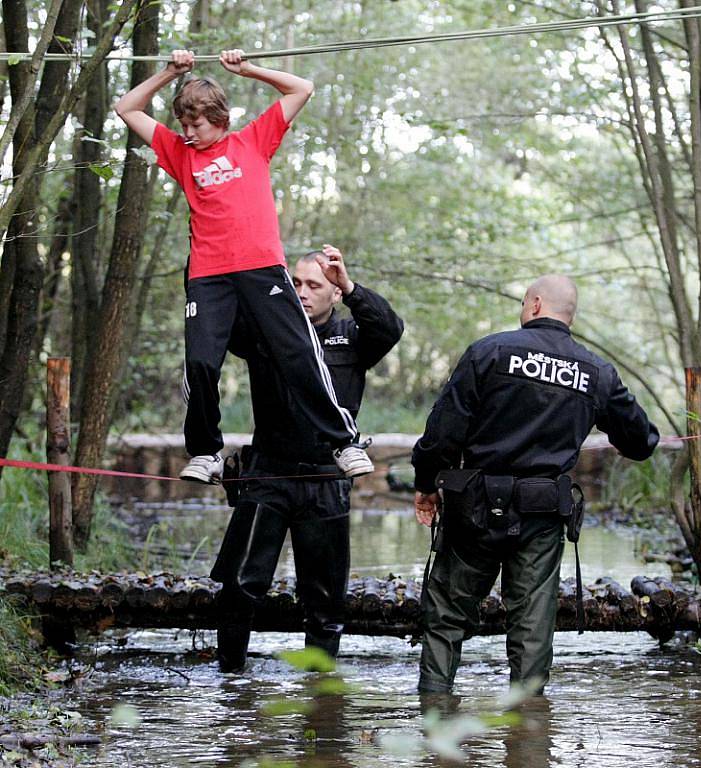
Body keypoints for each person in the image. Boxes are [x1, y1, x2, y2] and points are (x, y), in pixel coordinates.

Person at [114, 49, 373, 483]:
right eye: (184, 124)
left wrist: (246, 68)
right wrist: (170, 72)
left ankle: (344, 441)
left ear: (221, 119)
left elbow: (301, 88)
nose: (189, 131)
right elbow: (126, 108)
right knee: (200, 363)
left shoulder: (252, 140)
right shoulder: (179, 153)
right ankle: (205, 452)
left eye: (197, 124)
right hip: (209, 276)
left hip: (262, 269)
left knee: (298, 353)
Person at [412, 274, 659, 694]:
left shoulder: (488, 352)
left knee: (446, 617)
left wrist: (425, 482)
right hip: (542, 515)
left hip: (473, 508)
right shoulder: (595, 372)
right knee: (531, 628)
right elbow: (641, 442)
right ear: (570, 315)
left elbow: (442, 432)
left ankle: (433, 716)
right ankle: (528, 734)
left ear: (536, 304)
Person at [210, 245, 404, 671]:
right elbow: (222, 316)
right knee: (240, 586)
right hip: (266, 475)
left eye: (314, 285)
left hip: (325, 479)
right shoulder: (267, 331)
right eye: (296, 283)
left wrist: (350, 286)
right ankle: (231, 683)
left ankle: (320, 694)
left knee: (325, 599)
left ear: (333, 292)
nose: (302, 292)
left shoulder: (353, 337)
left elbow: (389, 328)